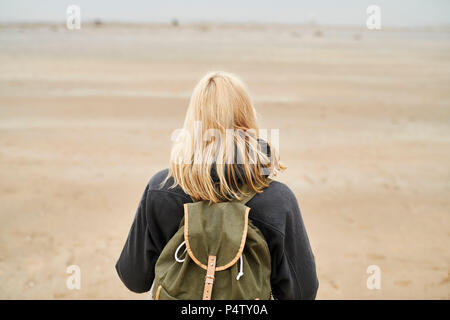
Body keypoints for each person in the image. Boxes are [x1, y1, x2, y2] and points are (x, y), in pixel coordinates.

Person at [115, 71, 319, 299]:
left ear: (193, 120)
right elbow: (302, 293)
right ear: (247, 117)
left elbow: (133, 278)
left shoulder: (162, 188)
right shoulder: (277, 199)